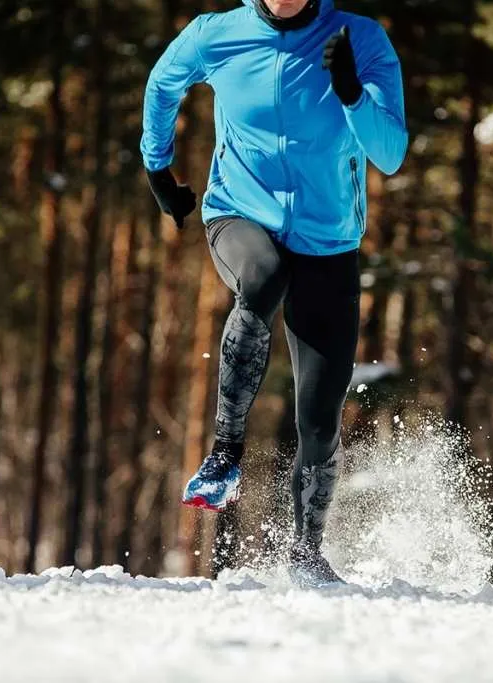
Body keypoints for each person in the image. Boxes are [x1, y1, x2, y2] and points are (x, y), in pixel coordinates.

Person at [140, 0, 407, 586]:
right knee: (260, 279)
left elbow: (390, 153)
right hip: (239, 214)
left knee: (319, 416)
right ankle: (224, 454)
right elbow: (164, 82)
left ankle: (307, 554)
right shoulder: (218, 34)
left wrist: (353, 94)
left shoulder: (359, 39)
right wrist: (157, 168)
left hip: (327, 241)